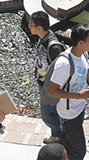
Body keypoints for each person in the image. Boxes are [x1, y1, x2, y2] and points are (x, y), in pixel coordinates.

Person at [49, 24, 89, 160]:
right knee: (79, 152)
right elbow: (52, 91)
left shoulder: (83, 56)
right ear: (81, 43)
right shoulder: (64, 64)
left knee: (69, 147)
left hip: (79, 110)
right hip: (69, 116)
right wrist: (78, 96)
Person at [28, 11, 66, 144]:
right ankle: (57, 135)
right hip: (43, 83)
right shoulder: (42, 38)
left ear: (39, 28)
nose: (29, 26)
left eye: (31, 24)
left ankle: (62, 134)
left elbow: (61, 70)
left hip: (49, 87)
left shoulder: (53, 46)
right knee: (52, 112)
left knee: (47, 116)